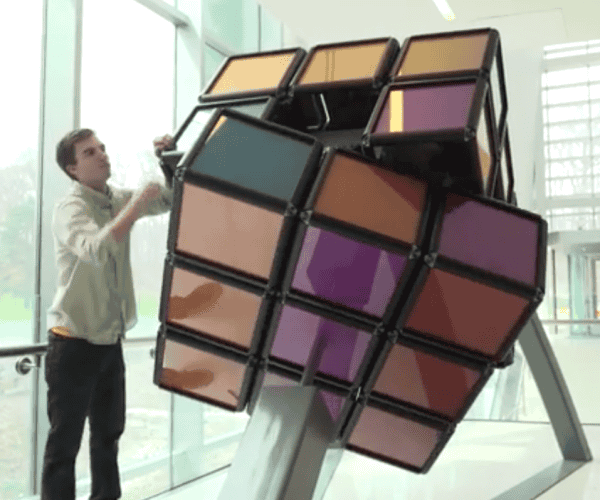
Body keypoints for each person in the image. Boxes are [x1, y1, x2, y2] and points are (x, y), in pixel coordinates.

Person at [42, 128, 174, 500]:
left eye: (101, 148)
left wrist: (167, 162)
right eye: (89, 153)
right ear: (72, 169)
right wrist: (135, 207)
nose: (102, 154)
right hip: (72, 345)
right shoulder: (70, 208)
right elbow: (96, 250)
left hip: (109, 343)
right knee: (64, 447)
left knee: (107, 438)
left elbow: (168, 199)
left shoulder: (116, 198)